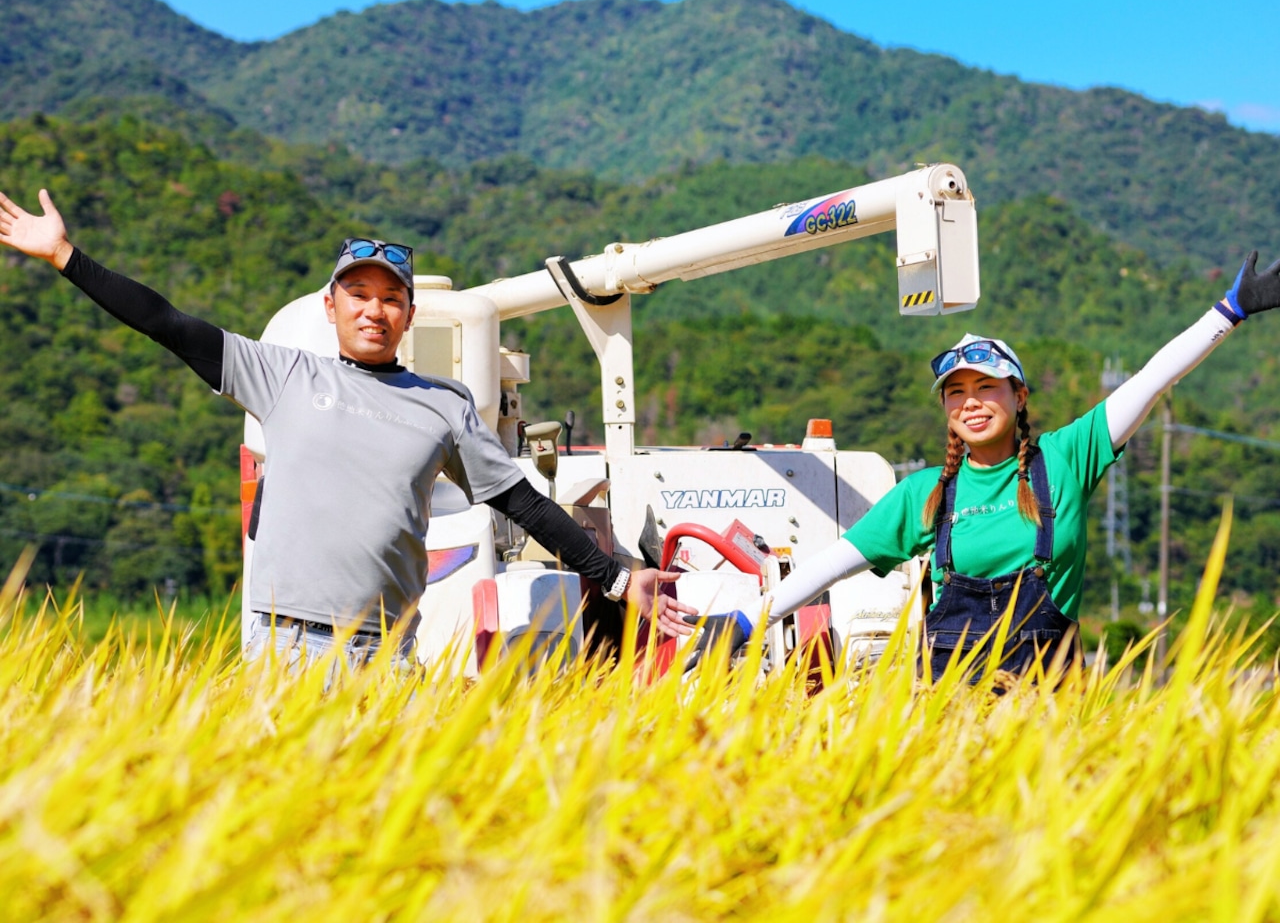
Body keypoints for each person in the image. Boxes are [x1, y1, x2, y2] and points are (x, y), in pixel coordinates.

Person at [0, 188, 696, 669]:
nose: (374, 309)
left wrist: (613, 580)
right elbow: (166, 323)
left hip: (385, 651)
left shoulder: (444, 405)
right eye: (358, 295)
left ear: (409, 315)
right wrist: (66, 257)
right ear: (330, 306)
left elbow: (522, 503)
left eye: (391, 298)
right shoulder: (281, 375)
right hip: (283, 644)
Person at [723, 250, 1280, 680]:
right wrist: (742, 624)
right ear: (944, 408)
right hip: (950, 718)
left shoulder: (1065, 459)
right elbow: (829, 566)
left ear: (1019, 397)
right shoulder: (925, 494)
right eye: (956, 391)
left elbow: (1153, 379)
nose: (971, 401)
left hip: (1048, 714)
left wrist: (1230, 311)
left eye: (987, 387)